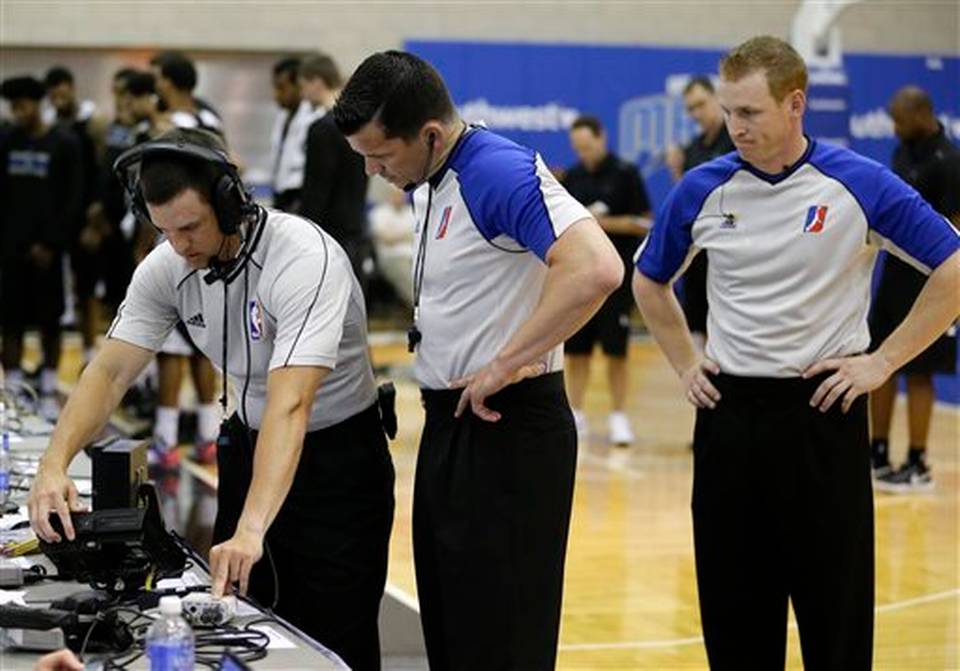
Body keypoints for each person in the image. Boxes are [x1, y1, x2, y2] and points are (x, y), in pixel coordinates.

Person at [632, 36, 959, 670]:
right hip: (729, 415)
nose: (735, 127)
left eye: (749, 113)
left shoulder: (858, 183)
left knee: (832, 616)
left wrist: (883, 362)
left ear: (795, 105)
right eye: (728, 112)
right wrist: (683, 362)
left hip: (821, 413)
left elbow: (952, 267)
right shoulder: (703, 186)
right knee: (734, 614)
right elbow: (648, 279)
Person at [27, 128, 395, 671]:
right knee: (236, 628)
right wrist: (52, 465)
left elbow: (292, 404)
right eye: (164, 230)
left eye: (190, 226)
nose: (179, 245)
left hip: (335, 461)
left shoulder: (303, 257)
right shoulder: (169, 264)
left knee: (334, 639)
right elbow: (108, 372)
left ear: (230, 200)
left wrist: (251, 529)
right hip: (247, 448)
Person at [334, 50, 622, 670]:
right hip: (454, 425)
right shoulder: (430, 179)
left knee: (500, 638)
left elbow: (596, 268)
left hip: (509, 430)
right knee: (455, 628)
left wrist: (508, 359)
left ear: (430, 135)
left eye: (380, 156)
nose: (372, 170)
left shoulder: (495, 170)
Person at [869, 86, 960, 493]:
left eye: (900, 118)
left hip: (933, 281)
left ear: (922, 113)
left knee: (921, 371)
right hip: (893, 279)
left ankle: (918, 461)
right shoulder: (902, 151)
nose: (894, 126)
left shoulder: (952, 159)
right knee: (878, 362)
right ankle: (877, 451)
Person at [562, 115, 651, 445]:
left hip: (616, 279)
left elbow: (643, 222)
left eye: (587, 146)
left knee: (616, 351)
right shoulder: (573, 176)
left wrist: (602, 222)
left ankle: (618, 416)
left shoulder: (626, 174)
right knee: (577, 351)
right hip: (579, 279)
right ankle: (576, 412)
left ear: (601, 137)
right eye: (578, 148)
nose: (584, 153)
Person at [0, 76, 82, 419]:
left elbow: (74, 197)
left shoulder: (64, 143)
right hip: (11, 247)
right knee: (11, 323)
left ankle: (48, 390)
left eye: (23, 105)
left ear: (38, 104)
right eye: (13, 106)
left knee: (51, 322)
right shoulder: (6, 141)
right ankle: (14, 390)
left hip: (51, 250)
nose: (18, 112)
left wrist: (53, 241)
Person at [665, 76, 736, 350]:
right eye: (690, 108)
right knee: (696, 320)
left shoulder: (736, 141)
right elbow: (688, 197)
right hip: (700, 246)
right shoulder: (693, 148)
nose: (696, 113)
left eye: (700, 105)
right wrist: (676, 170)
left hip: (730, 245)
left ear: (716, 97)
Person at [300, 52, 372, 295]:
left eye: (303, 86)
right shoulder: (360, 124)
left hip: (329, 235)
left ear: (317, 82)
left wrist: (303, 230)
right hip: (355, 228)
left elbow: (316, 190)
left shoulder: (322, 129)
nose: (303, 94)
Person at [368, 184, 415, 306]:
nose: (399, 197)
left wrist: (397, 235)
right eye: (395, 194)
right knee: (405, 275)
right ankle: (417, 305)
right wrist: (406, 235)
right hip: (392, 257)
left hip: (413, 255)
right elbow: (386, 238)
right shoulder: (379, 213)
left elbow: (418, 236)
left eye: (401, 195)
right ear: (389, 195)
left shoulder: (412, 212)